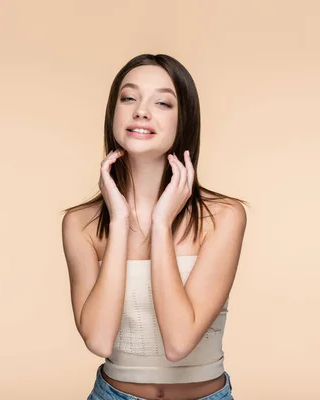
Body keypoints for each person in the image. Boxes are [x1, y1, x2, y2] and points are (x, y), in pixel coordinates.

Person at [61, 53, 248, 400]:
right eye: (129, 98)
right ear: (113, 114)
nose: (141, 111)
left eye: (162, 102)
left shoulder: (223, 217)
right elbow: (99, 340)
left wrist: (161, 224)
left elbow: (178, 343)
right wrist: (119, 222)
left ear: (184, 121)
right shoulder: (80, 224)